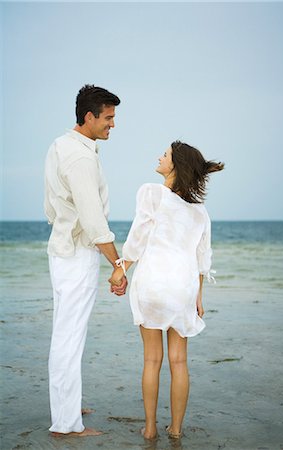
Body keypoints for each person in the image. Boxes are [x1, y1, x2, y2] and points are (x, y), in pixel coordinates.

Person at [109, 141, 224, 440]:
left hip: (153, 285)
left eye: (165, 155)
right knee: (179, 361)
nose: (159, 157)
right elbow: (203, 261)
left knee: (151, 360)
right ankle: (175, 429)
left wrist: (120, 269)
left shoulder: (151, 193)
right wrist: (198, 297)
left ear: (176, 166)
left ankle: (149, 429)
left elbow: (138, 237)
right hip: (182, 289)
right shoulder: (201, 213)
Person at [44, 84, 127, 437]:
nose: (113, 125)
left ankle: (68, 404)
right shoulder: (79, 157)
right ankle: (65, 424)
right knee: (69, 336)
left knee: (67, 333)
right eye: (108, 118)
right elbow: (94, 221)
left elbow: (56, 207)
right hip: (76, 254)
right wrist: (117, 264)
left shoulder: (62, 145)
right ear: (89, 116)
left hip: (63, 249)